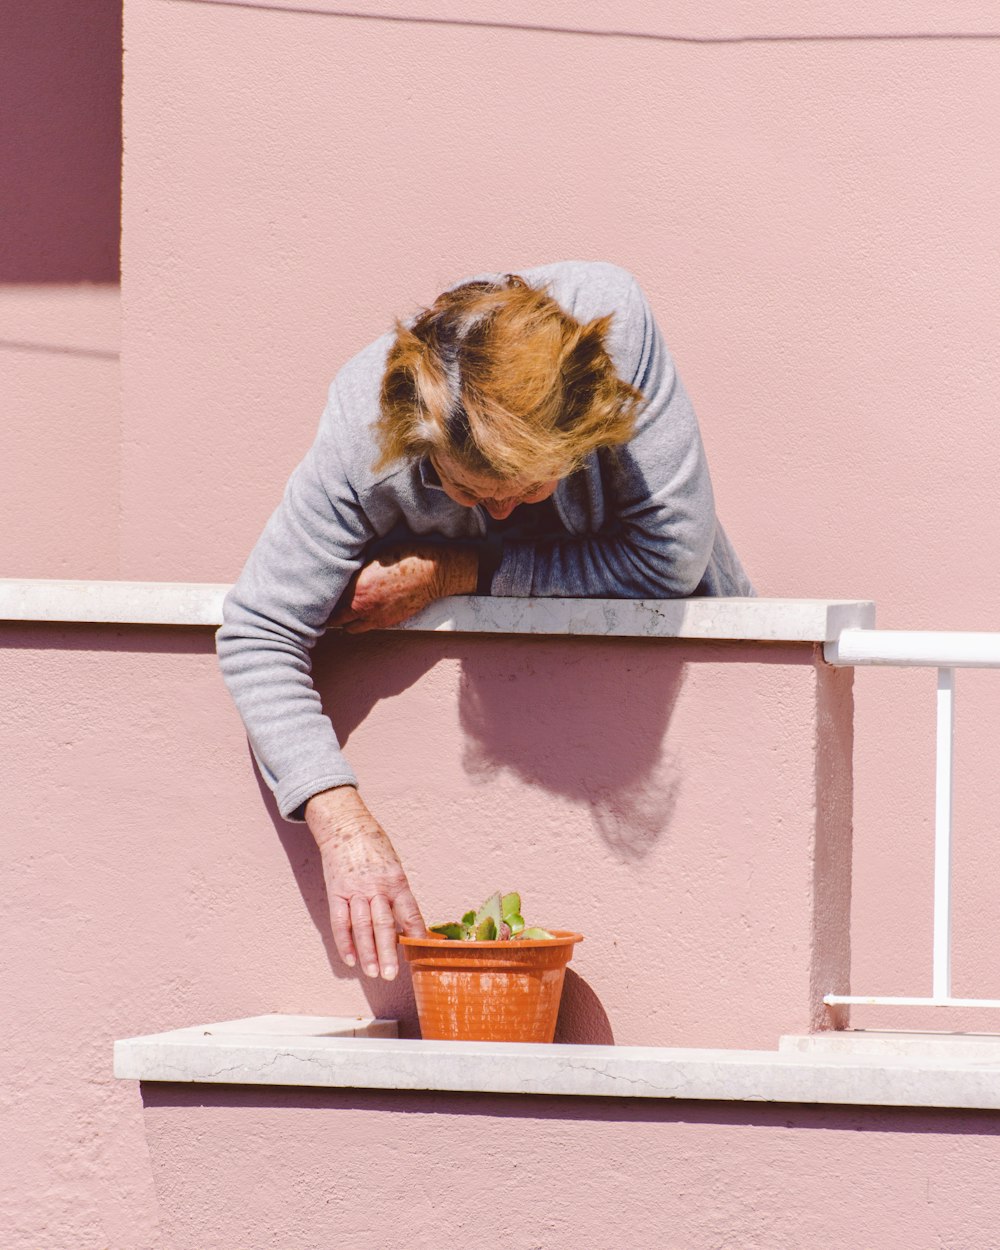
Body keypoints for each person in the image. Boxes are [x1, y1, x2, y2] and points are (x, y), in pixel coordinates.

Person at [216, 259, 754, 984]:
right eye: (473, 493)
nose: (503, 515)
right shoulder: (359, 432)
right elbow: (259, 631)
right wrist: (341, 823)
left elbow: (667, 563)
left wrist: (459, 571)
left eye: (531, 491)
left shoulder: (612, 327)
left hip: (702, 711)